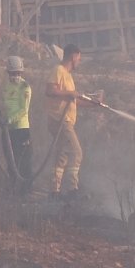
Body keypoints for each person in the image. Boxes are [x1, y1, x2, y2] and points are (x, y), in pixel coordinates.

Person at [46, 44, 87, 196]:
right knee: (76, 152)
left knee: (62, 155)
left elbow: (72, 100)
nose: (79, 62)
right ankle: (72, 189)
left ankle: (54, 190)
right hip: (60, 119)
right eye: (79, 58)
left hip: (66, 120)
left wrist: (93, 104)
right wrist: (69, 93)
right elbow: (50, 90)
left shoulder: (68, 76)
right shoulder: (58, 70)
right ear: (73, 56)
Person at [2, 55, 33, 195]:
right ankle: (13, 186)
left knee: (23, 161)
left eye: (17, 73)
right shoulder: (7, 86)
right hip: (8, 130)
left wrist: (10, 119)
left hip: (21, 129)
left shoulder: (25, 87)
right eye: (12, 73)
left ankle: (26, 189)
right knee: (10, 160)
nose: (15, 76)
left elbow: (23, 109)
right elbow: (6, 105)